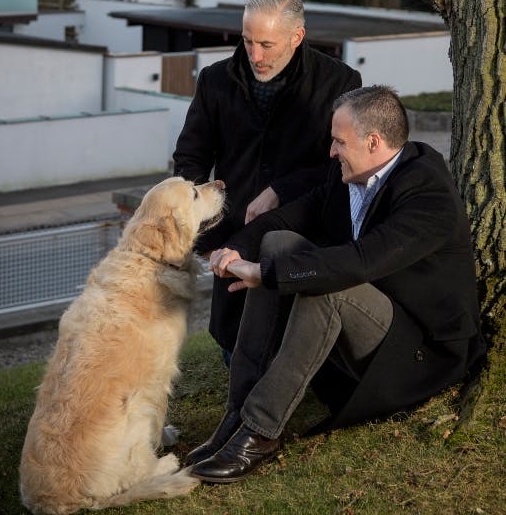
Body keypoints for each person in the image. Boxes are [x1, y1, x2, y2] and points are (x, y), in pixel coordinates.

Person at [186, 85, 486, 484]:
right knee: (278, 245)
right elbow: (286, 219)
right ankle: (238, 414)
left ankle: (260, 431)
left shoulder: (428, 192)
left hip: (418, 352)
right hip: (368, 322)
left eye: (338, 141)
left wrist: (265, 275)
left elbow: (360, 262)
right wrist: (234, 251)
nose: (330, 151)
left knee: (326, 286)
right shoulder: (348, 173)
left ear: (373, 141)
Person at [173, 0, 362, 358]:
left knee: (295, 343)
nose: (255, 55)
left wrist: (281, 187)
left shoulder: (341, 83)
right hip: (233, 238)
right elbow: (190, 157)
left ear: (297, 36)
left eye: (267, 45)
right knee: (235, 344)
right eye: (247, 41)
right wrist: (203, 221)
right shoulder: (214, 80)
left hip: (303, 236)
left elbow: (342, 165)